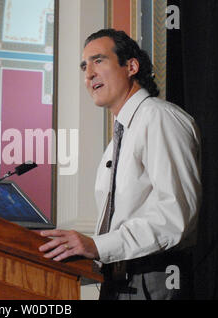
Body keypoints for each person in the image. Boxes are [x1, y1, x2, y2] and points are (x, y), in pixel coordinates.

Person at [38, 29, 202, 300]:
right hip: (120, 279)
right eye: (84, 66)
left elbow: (174, 217)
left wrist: (97, 246)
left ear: (131, 66)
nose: (88, 74)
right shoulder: (122, 132)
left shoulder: (159, 118)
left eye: (98, 60)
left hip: (155, 280)